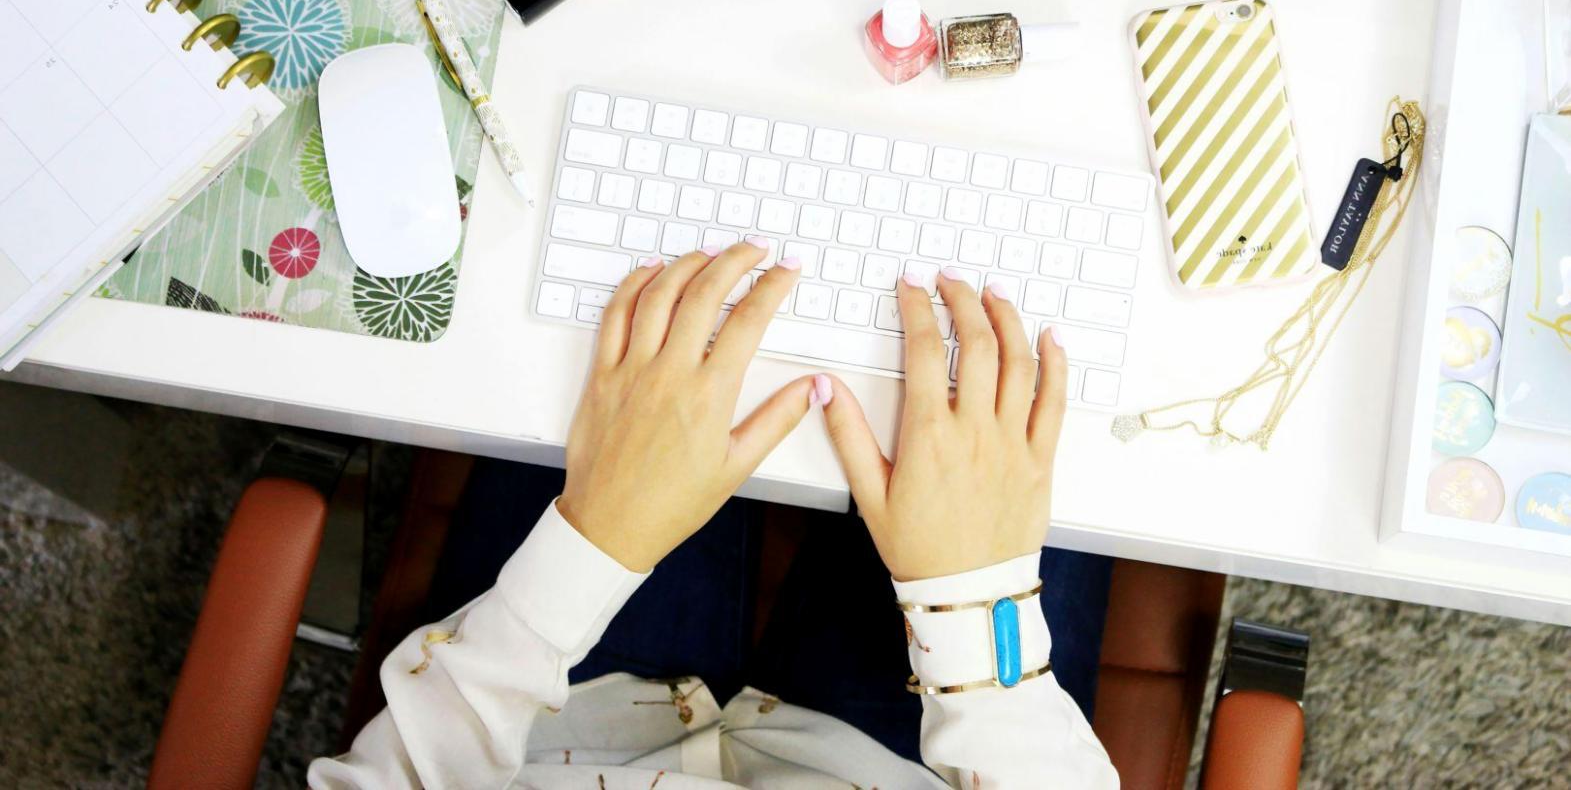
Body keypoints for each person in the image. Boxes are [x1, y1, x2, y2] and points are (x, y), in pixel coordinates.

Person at [309, 240, 1119, 788]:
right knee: (1049, 401)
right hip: (889, 758)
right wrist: (976, 603)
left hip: (561, 723)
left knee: (638, 295)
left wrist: (593, 537)